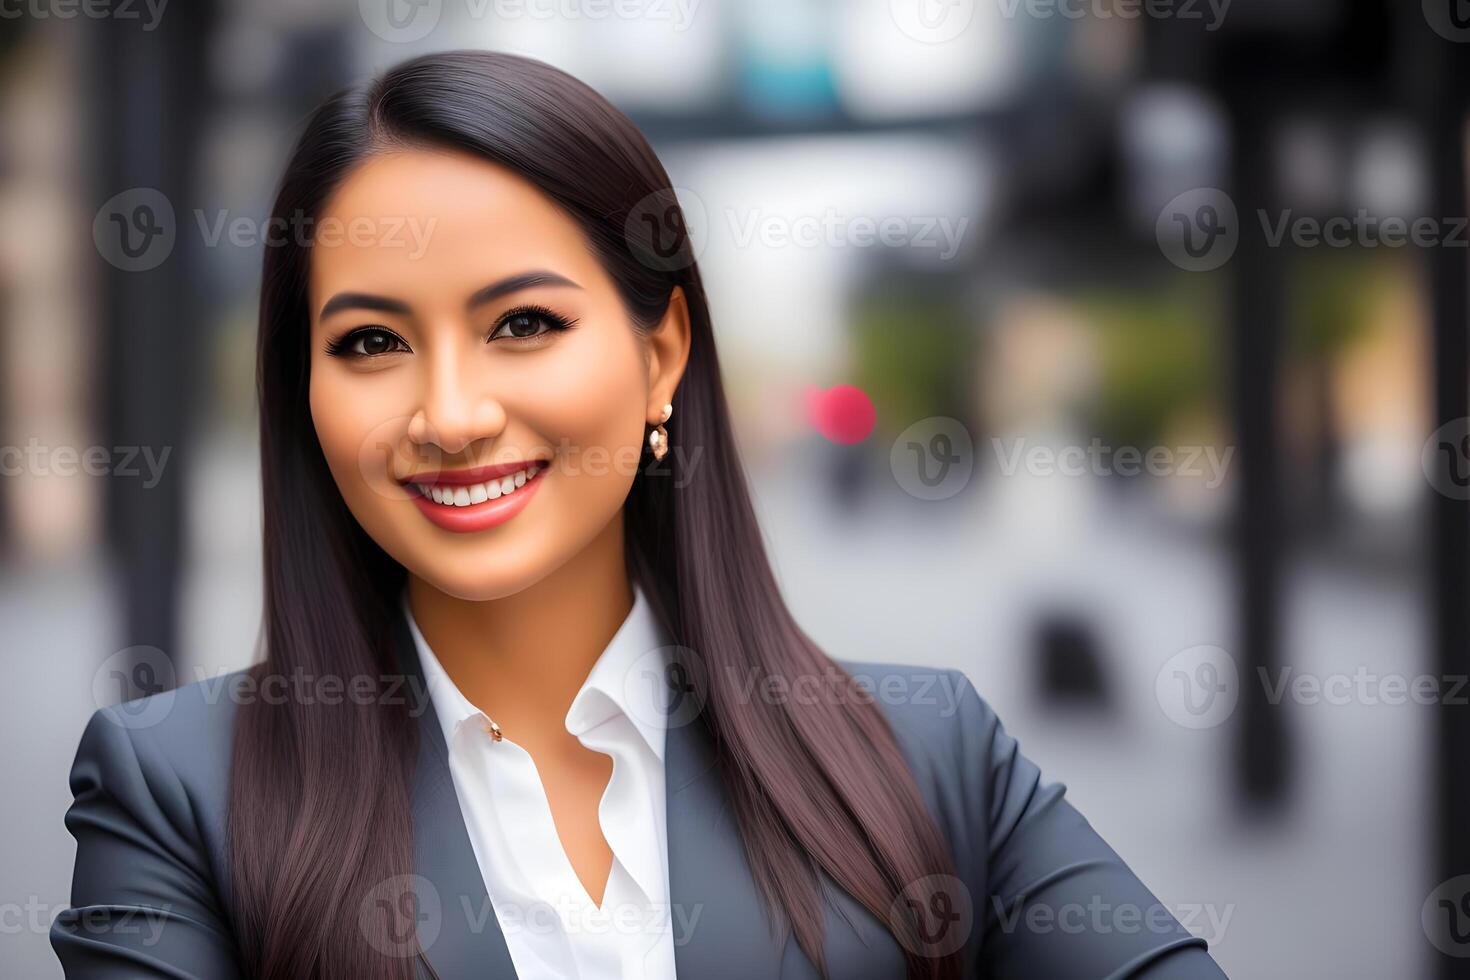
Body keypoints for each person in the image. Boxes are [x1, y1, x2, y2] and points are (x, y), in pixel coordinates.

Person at [51, 50, 1229, 980]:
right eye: (370, 342)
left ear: (662, 353)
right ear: (302, 392)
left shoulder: (929, 757)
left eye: (523, 323)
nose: (451, 414)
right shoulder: (179, 792)